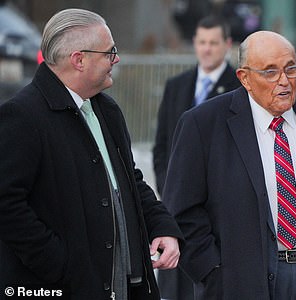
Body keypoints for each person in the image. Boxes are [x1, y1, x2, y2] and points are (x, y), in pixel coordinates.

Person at [162, 30, 296, 299]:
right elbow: (182, 211)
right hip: (241, 283)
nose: (284, 81)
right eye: (270, 72)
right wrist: (213, 272)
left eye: (291, 69)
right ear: (245, 78)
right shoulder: (203, 124)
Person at [0, 8, 183, 300]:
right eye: (109, 52)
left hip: (124, 286)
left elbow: (129, 180)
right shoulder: (23, 116)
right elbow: (7, 206)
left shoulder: (106, 110)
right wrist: (62, 265)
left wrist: (162, 226)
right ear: (79, 60)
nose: (117, 59)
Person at [153, 15, 241, 196]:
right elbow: (162, 142)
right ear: (194, 43)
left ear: (227, 44)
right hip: (177, 193)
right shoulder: (175, 85)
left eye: (213, 43)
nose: (206, 49)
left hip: (220, 196)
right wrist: (166, 187)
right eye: (202, 42)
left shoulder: (240, 88)